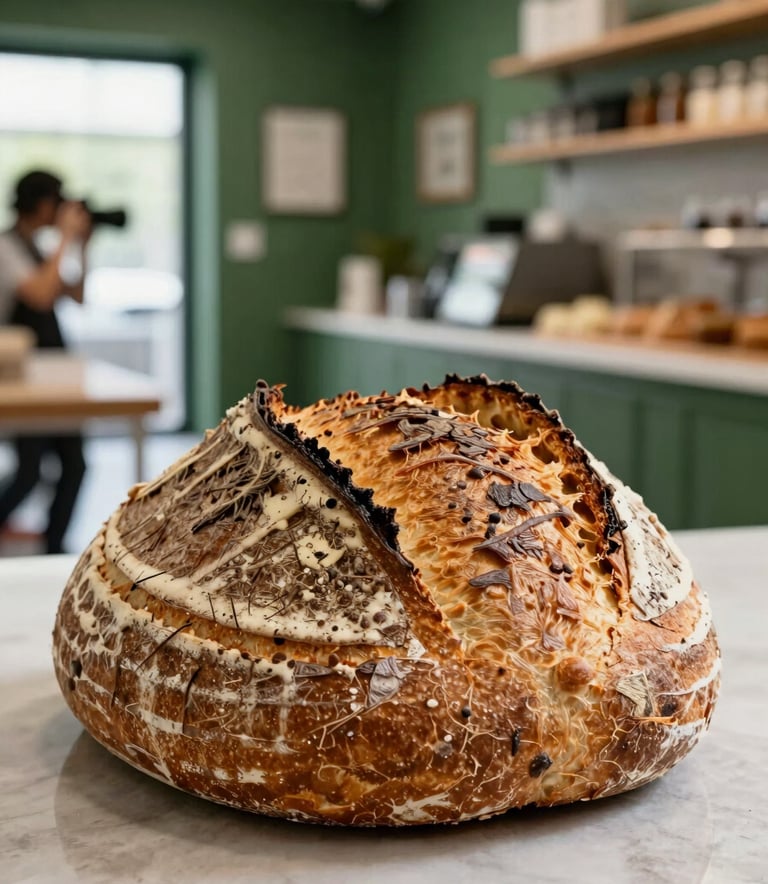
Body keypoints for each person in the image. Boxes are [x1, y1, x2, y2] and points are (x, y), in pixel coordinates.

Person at [0, 170, 92, 554]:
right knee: (29, 471)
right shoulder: (6, 246)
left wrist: (84, 246)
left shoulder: (39, 248)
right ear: (41, 204)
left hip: (53, 370)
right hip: (21, 374)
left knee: (75, 464)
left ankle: (54, 547)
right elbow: (39, 294)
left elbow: (77, 294)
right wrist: (66, 238)